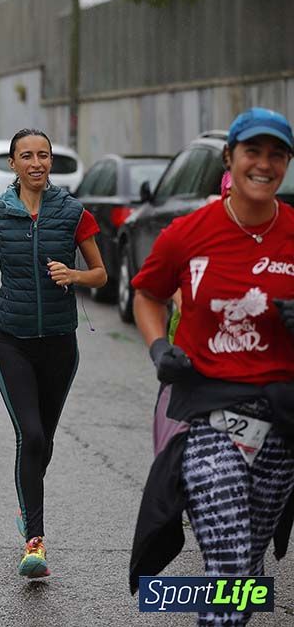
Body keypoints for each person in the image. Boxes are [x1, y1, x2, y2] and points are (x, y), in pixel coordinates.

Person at [129, 108, 294, 626]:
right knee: (230, 565)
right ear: (229, 157)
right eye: (253, 152)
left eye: (277, 155)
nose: (264, 164)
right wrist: (159, 348)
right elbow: (147, 294)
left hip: (282, 422)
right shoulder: (187, 232)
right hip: (208, 414)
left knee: (247, 565)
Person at [0, 128, 107, 578]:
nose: (36, 163)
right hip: (12, 341)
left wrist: (74, 276)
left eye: (43, 155)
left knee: (44, 441)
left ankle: (27, 507)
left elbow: (101, 274)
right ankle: (35, 542)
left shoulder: (73, 213)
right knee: (32, 435)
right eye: (27, 156)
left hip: (60, 344)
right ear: (13, 164)